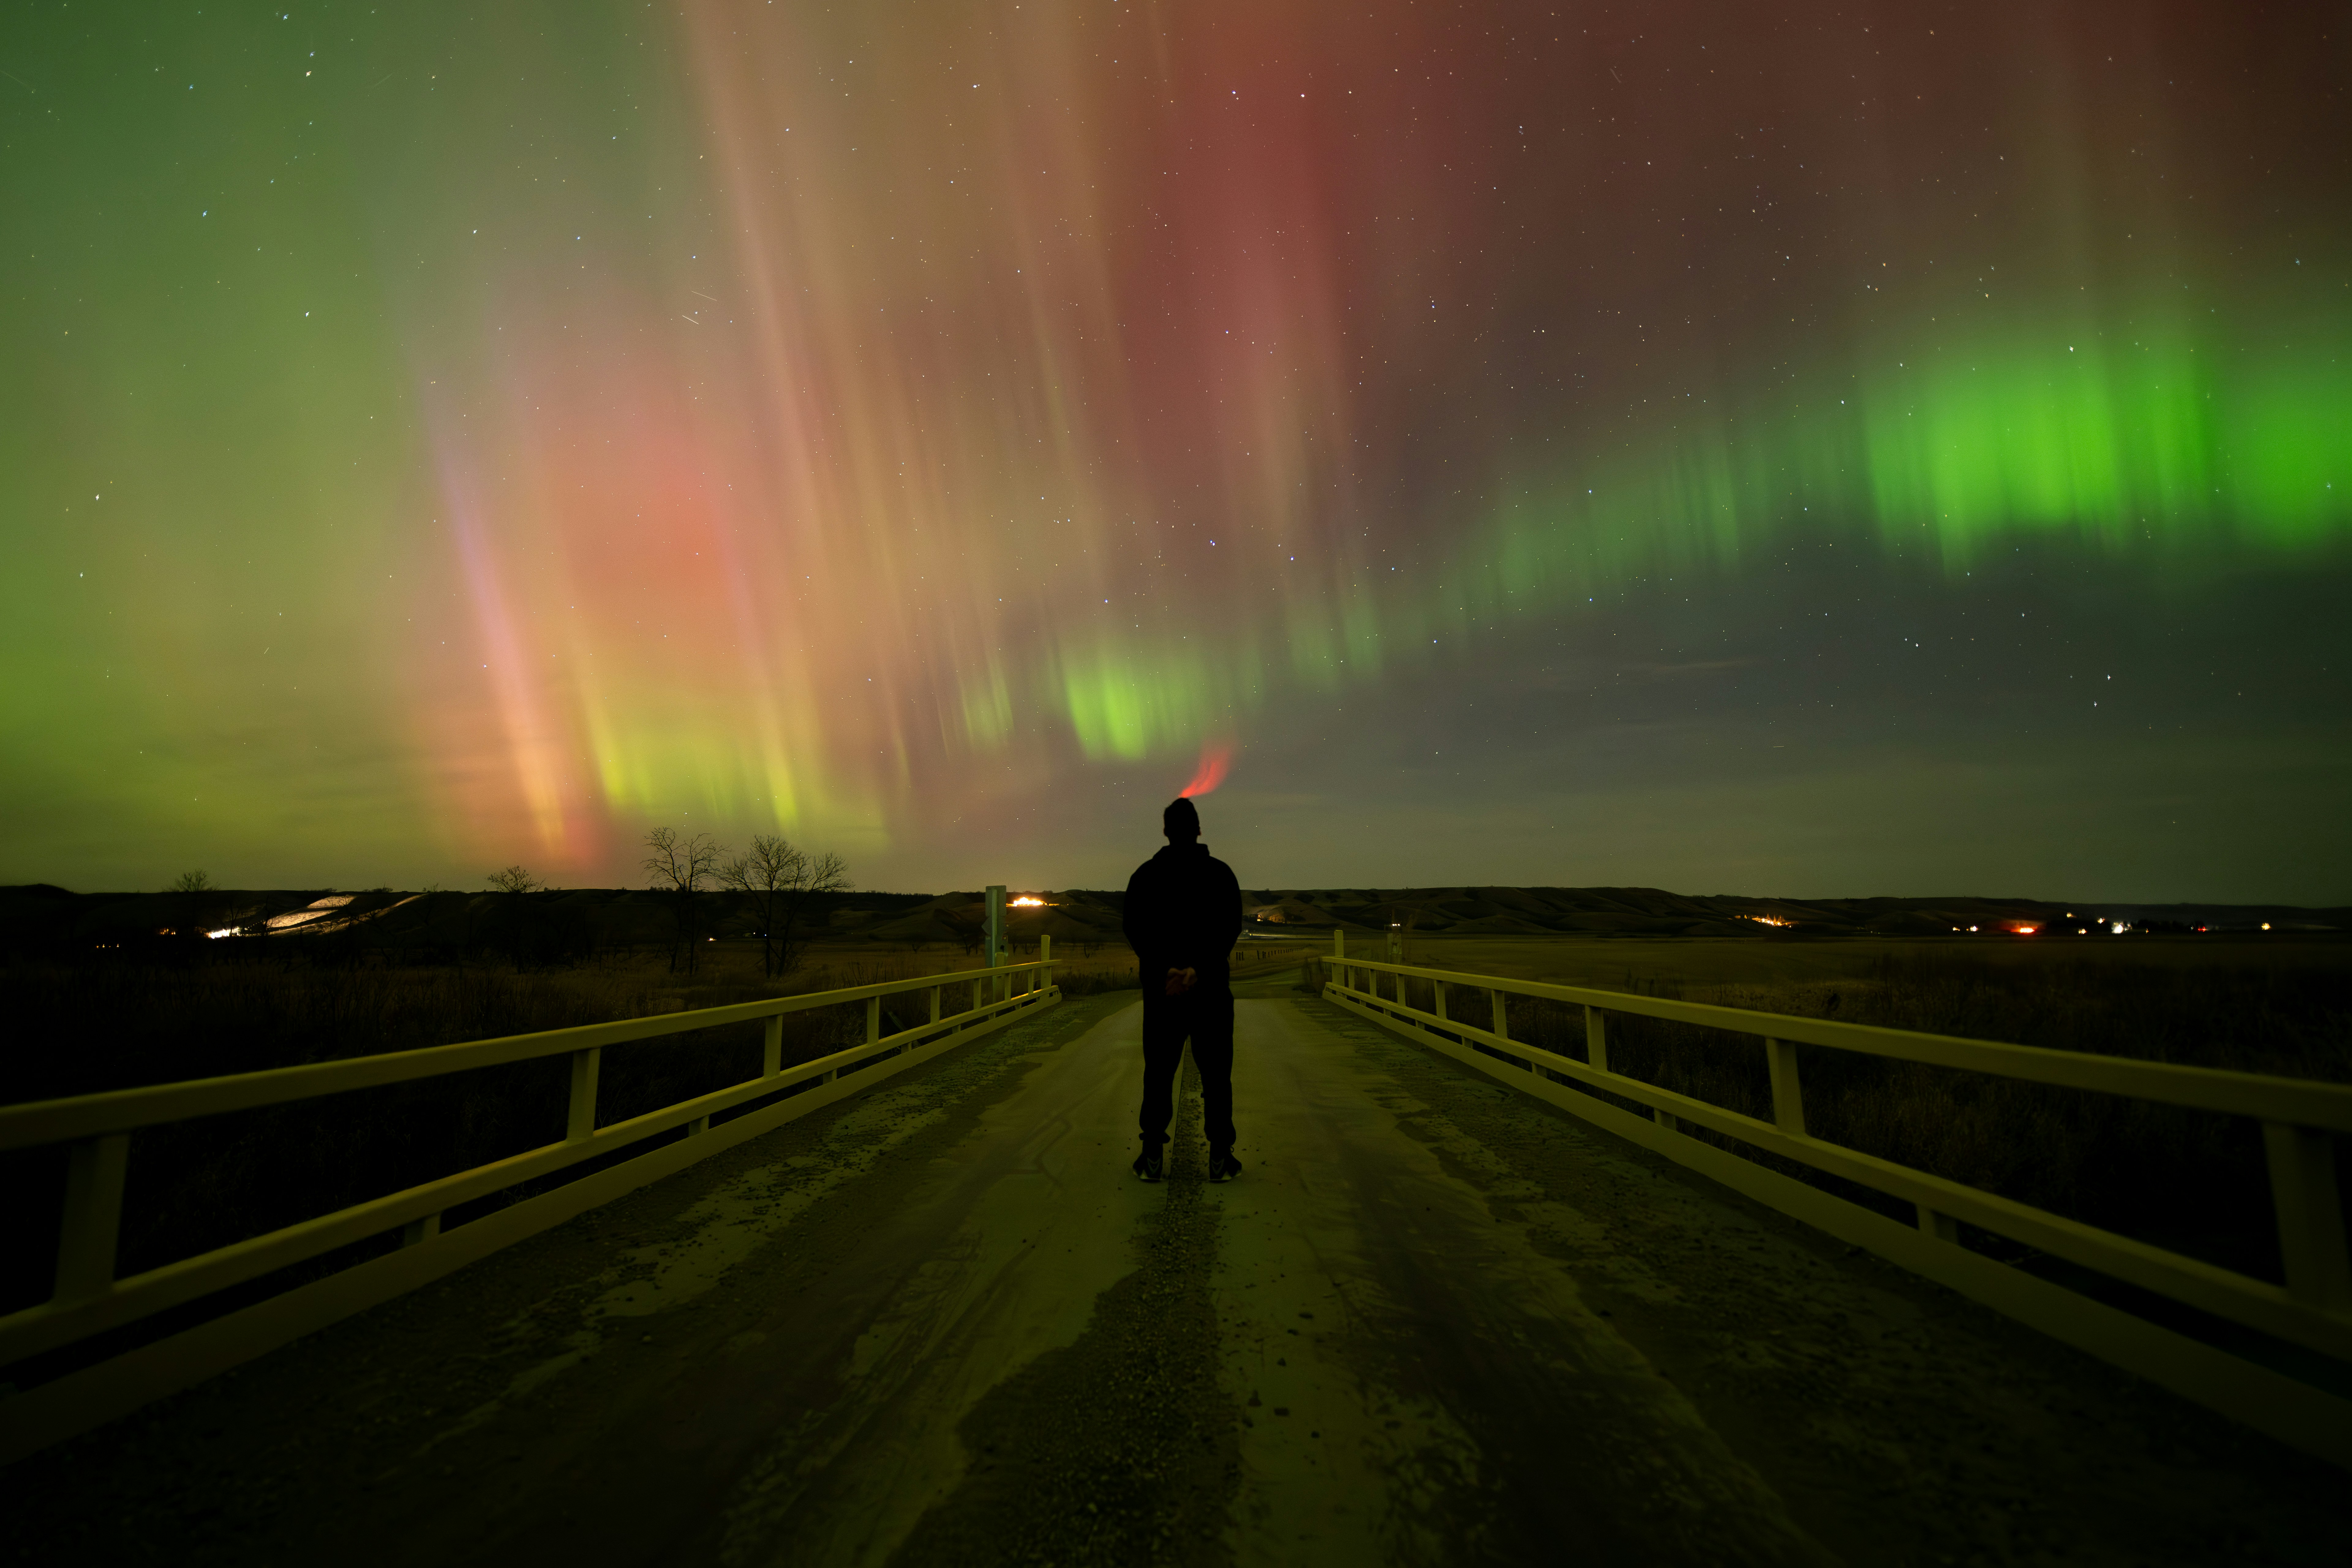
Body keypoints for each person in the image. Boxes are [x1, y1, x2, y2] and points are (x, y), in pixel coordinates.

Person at [1122, 796, 1244, 1183]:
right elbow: (1229, 928)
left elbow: (1134, 929)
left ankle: (1152, 1155)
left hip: (1163, 994)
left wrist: (1166, 971)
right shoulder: (1221, 875)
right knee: (1216, 1076)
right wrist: (1199, 971)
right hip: (1210, 994)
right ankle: (1220, 1158)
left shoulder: (1145, 876)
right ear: (1198, 830)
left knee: (1159, 1073)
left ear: (1165, 832)